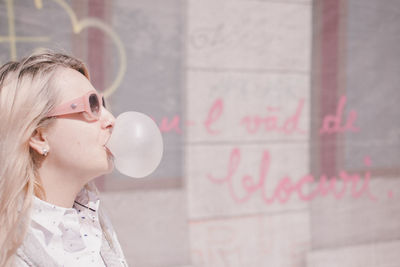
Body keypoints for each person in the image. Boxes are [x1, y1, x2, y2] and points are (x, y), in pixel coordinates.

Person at [0, 52, 128, 266]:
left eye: (103, 103)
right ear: (39, 136)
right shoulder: (10, 250)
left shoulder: (94, 222)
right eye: (92, 104)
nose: (111, 120)